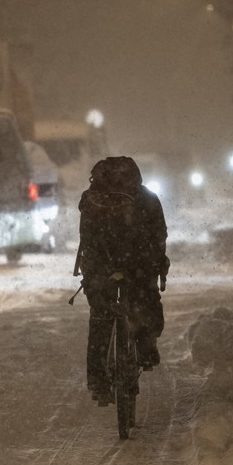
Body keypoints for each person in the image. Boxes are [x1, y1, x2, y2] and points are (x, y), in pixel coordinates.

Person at [73, 156, 169, 405]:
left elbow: (86, 239)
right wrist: (157, 264)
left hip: (100, 266)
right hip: (137, 265)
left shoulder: (91, 199)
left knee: (100, 317)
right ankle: (146, 350)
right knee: (145, 302)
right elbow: (159, 235)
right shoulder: (147, 198)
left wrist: (93, 269)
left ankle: (97, 381)